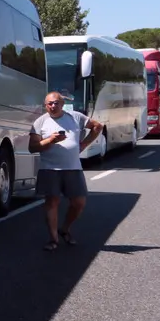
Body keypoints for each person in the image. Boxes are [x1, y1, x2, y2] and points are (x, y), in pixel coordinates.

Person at [29, 92, 102, 250]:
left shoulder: (75, 117)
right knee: (52, 202)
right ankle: (53, 239)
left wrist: (84, 144)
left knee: (79, 202)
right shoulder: (40, 122)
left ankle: (65, 229)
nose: (53, 106)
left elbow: (98, 126)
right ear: (45, 105)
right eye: (50, 103)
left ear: (62, 104)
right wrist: (50, 140)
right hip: (50, 169)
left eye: (56, 103)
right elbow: (32, 147)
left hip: (73, 168)